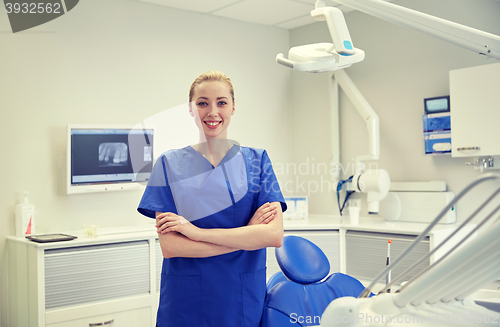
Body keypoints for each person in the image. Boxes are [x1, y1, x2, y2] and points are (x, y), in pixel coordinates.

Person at [137, 71, 287, 327]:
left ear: (233, 107)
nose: (212, 111)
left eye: (221, 102)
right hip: (187, 299)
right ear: (191, 109)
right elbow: (172, 247)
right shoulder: (168, 164)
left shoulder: (258, 161)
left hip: (239, 297)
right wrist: (248, 234)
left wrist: (195, 233)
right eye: (202, 102)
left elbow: (273, 235)